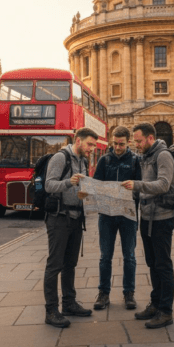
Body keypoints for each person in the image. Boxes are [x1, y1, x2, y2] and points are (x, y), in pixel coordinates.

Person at [121, 123, 174, 329]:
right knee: (152, 263)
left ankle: (166, 311)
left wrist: (137, 185)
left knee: (163, 264)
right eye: (134, 141)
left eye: (138, 140)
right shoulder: (145, 156)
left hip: (162, 217)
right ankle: (156, 303)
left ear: (150, 138)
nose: (136, 145)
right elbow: (143, 186)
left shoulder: (163, 155)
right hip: (146, 216)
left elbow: (164, 184)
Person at [42, 128, 98, 328]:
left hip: (76, 217)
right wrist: (68, 182)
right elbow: (49, 185)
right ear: (78, 141)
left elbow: (79, 188)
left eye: (93, 145)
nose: (92, 149)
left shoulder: (83, 160)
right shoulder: (60, 158)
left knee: (70, 264)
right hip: (59, 218)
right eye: (89, 144)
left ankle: (69, 303)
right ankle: (51, 311)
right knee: (54, 265)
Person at [92, 126, 141, 311]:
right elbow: (96, 184)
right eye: (115, 144)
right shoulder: (104, 160)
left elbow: (140, 187)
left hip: (128, 214)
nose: (117, 148)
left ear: (128, 142)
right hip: (106, 214)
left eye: (121, 144)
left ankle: (129, 293)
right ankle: (103, 294)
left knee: (129, 256)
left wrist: (133, 188)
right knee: (105, 256)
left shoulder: (136, 161)